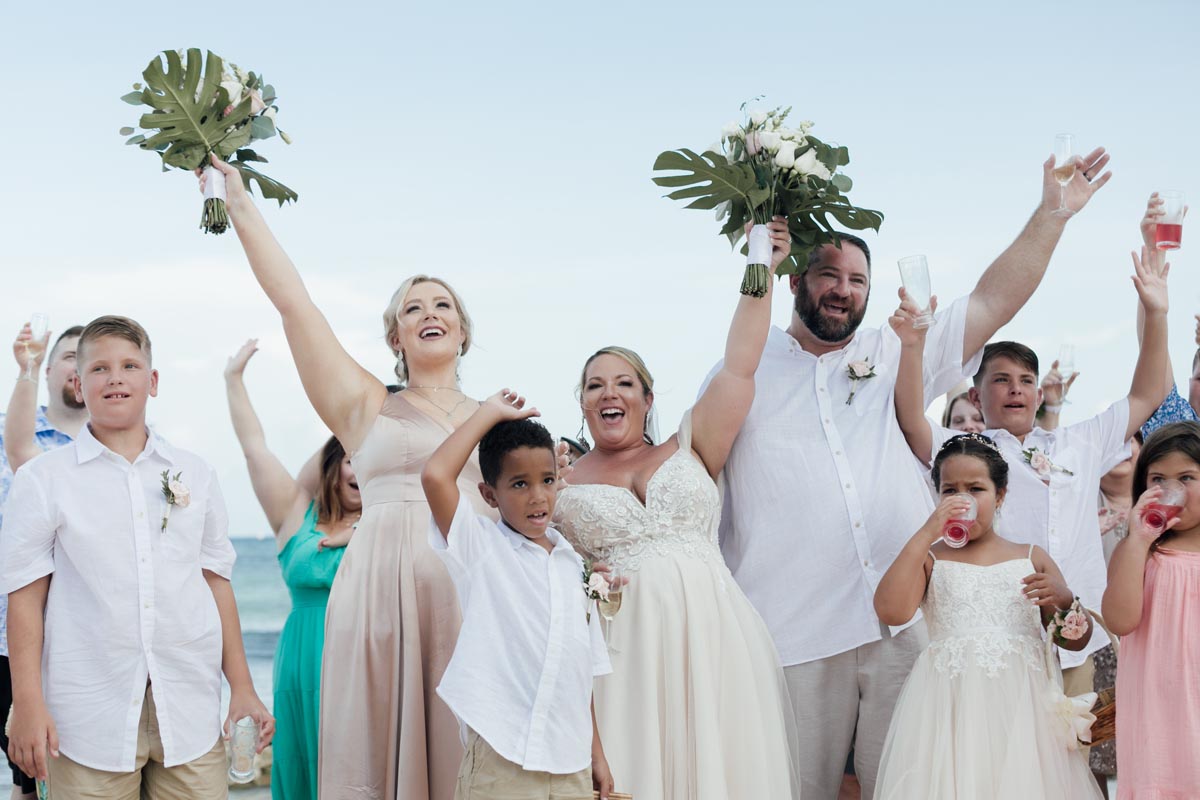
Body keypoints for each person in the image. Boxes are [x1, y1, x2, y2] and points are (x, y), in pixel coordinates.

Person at [710, 148, 1113, 798]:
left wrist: (1052, 216)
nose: (843, 289)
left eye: (857, 280)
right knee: (794, 787)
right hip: (793, 629)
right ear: (792, 281)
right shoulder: (744, 368)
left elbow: (992, 299)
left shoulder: (896, 350)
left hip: (903, 634)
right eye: (827, 274)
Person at [202, 156, 494, 800]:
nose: (428, 313)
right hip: (382, 595)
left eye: (442, 304)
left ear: (464, 332)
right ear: (395, 335)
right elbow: (294, 304)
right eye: (412, 308)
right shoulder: (367, 405)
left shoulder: (496, 420)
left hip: (474, 594)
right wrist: (239, 203)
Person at [556, 219, 800, 799]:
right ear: (584, 405)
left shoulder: (693, 444)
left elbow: (741, 362)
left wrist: (760, 264)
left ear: (647, 397)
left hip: (714, 631)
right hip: (624, 650)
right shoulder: (560, 486)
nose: (608, 393)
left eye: (623, 383)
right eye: (594, 386)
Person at [0, 315, 273, 797]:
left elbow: (215, 582)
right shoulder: (43, 479)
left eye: (129, 365)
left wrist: (243, 688)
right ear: (79, 385)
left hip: (188, 708)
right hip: (87, 715)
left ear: (152, 381)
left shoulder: (195, 472)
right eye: (99, 369)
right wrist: (26, 703)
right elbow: (24, 598)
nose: (115, 377)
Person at [894, 239, 1169, 713]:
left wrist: (1156, 313)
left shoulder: (1080, 441)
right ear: (977, 398)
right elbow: (911, 418)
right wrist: (914, 347)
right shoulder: (965, 453)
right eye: (1001, 380)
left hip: (1083, 631)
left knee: (1083, 763)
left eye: (1026, 381)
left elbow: (1147, 396)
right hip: (1006, 638)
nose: (1016, 390)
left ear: (1040, 393)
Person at [873, 434, 1102, 798]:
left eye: (976, 488)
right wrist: (928, 532)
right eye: (950, 491)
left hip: (1021, 707)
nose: (961, 500)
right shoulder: (932, 559)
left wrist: (1064, 600)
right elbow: (890, 610)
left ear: (1001, 495)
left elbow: (1073, 639)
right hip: (949, 705)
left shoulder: (1031, 556)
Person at [422, 390, 615, 799]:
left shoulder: (573, 566)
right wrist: (487, 414)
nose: (537, 496)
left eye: (547, 480)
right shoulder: (480, 549)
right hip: (501, 757)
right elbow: (435, 475)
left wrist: (597, 753)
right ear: (490, 495)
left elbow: (579, 671)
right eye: (519, 484)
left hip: (571, 764)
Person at [224, 339, 360, 800]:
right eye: (349, 457)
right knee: (302, 765)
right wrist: (233, 378)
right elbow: (254, 448)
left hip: (364, 654)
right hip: (301, 659)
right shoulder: (295, 516)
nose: (360, 468)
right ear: (334, 464)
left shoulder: (397, 520)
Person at [0, 323, 86, 799]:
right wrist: (25, 367)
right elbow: (19, 449)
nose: (81, 365)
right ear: (52, 369)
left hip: (84, 638)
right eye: (71, 355)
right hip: (10, 635)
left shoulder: (129, 440)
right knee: (27, 778)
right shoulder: (11, 431)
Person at [1102, 422, 1200, 797]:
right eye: (1158, 478)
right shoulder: (1140, 554)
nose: (1171, 488)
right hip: (1157, 717)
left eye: (1187, 477)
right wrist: (1139, 538)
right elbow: (1120, 620)